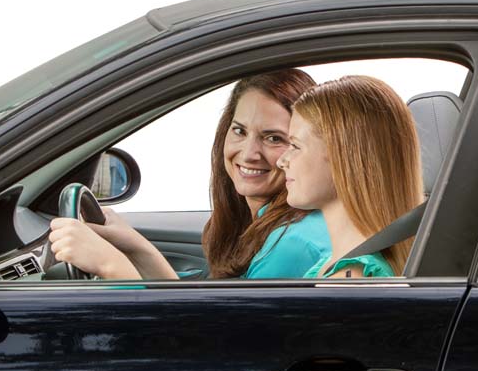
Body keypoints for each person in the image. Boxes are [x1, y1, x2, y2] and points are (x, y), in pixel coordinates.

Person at [49, 69, 331, 279]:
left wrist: (110, 265)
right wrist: (136, 248)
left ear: (302, 145)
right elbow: (206, 320)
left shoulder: (294, 244)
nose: (248, 153)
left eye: (273, 139)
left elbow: (212, 350)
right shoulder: (272, 226)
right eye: (240, 131)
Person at [277, 75, 423, 279]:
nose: (281, 161)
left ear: (341, 156)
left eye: (295, 146)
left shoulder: (351, 277)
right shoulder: (331, 266)